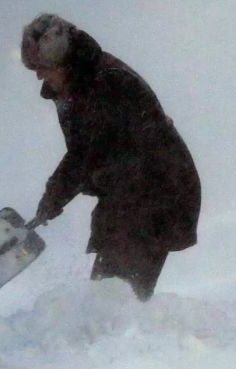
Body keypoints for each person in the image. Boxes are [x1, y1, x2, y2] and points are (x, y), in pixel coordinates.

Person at [21, 14, 201, 300]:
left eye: (42, 67)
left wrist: (55, 197)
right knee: (111, 295)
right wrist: (52, 198)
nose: (38, 75)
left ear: (63, 62)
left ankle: (125, 341)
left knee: (117, 298)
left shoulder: (108, 84)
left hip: (157, 194)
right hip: (129, 197)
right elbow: (82, 152)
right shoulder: (77, 87)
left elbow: (90, 154)